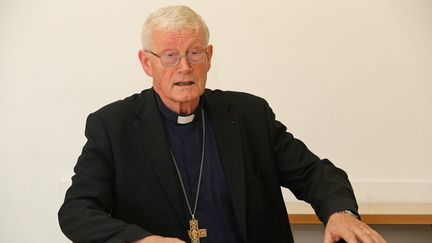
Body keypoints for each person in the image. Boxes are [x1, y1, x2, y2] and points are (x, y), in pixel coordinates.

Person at [58, 5, 386, 243]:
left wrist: (340, 211)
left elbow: (316, 173)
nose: (184, 66)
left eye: (195, 53)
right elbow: (77, 211)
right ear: (147, 63)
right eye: (170, 55)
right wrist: (142, 241)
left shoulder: (248, 115)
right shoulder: (113, 127)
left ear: (210, 57)